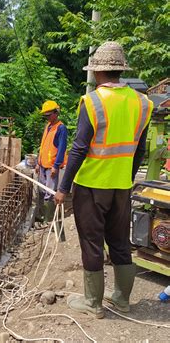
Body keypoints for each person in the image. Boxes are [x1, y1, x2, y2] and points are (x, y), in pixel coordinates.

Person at [54, 42, 153, 318]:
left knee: (92, 242)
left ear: (97, 73)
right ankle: (122, 299)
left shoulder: (93, 101)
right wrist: (126, 178)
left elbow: (79, 148)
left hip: (91, 186)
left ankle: (93, 303)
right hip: (121, 187)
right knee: (121, 242)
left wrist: (63, 188)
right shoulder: (142, 103)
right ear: (120, 71)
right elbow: (140, 149)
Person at [36, 100, 68, 239]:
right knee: (42, 190)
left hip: (51, 166)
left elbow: (61, 148)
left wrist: (56, 165)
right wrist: (38, 162)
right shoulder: (48, 126)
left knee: (50, 193)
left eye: (49, 115)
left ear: (56, 113)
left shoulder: (61, 128)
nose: (47, 118)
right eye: (45, 116)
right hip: (43, 165)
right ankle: (42, 217)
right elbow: (43, 146)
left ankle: (49, 220)